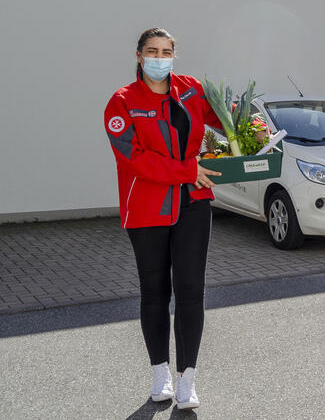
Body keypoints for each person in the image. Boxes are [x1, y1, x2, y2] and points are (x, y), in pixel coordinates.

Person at [104, 28, 223, 409]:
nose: (159, 58)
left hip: (193, 203)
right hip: (146, 207)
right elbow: (133, 158)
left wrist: (250, 127)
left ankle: (188, 378)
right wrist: (187, 170)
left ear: (174, 54)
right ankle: (161, 372)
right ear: (139, 56)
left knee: (191, 291)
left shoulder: (191, 90)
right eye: (152, 51)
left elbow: (224, 120)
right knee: (155, 293)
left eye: (166, 51)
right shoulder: (122, 102)